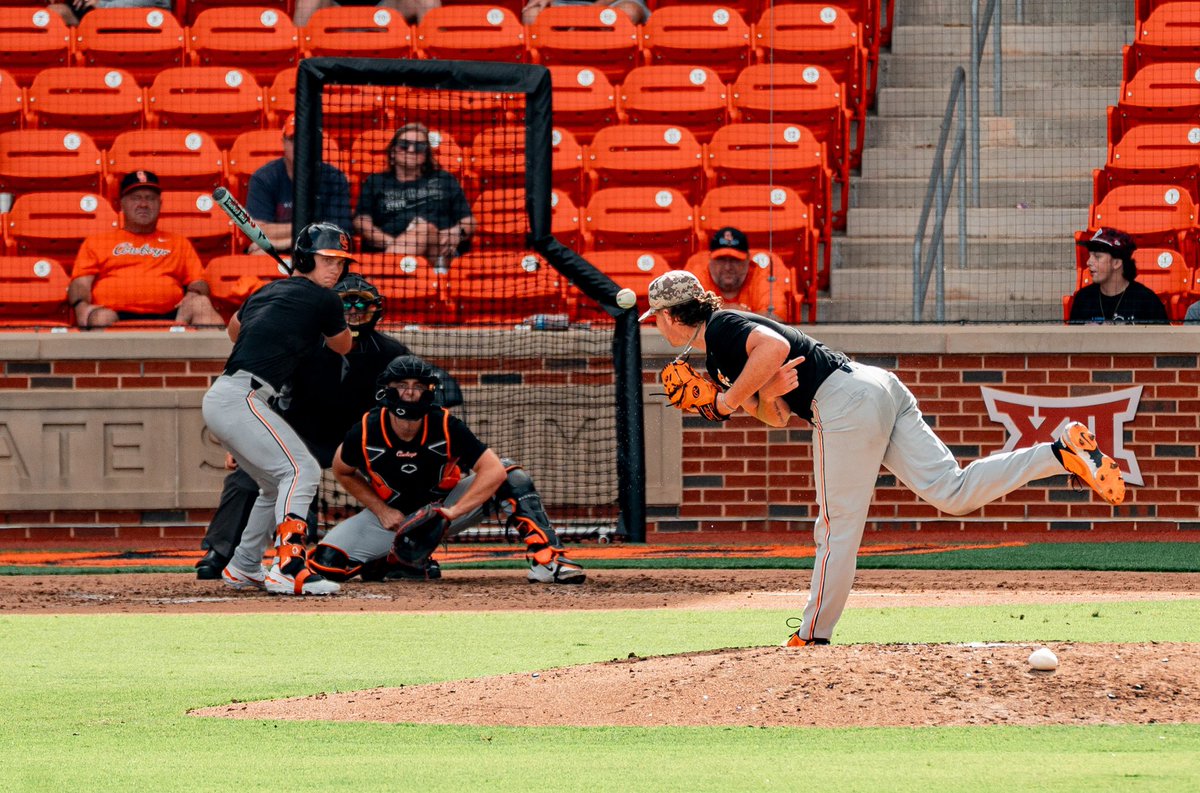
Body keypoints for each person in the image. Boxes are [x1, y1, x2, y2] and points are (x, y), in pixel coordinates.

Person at [640, 270, 1127, 645]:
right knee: (952, 492)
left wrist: (725, 402)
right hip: (872, 387)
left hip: (843, 401)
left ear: (668, 316)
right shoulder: (720, 356)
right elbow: (778, 416)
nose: (655, 325)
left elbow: (773, 346)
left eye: (655, 317)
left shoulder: (722, 327)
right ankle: (1058, 452)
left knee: (837, 526)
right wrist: (760, 395)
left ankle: (812, 633)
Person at [195, 272, 462, 578]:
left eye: (362, 305)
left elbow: (437, 388)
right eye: (345, 305)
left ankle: (407, 551)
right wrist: (245, 437)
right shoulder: (303, 343)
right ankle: (222, 552)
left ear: (376, 310)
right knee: (250, 477)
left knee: (407, 467)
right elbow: (271, 387)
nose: (353, 312)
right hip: (299, 430)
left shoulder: (391, 353)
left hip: (359, 440)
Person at [309, 355, 586, 585]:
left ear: (429, 391)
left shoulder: (445, 424)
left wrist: (452, 512)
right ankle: (395, 560)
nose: (409, 392)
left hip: (443, 511)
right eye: (402, 384)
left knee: (511, 473)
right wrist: (381, 510)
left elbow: (492, 470)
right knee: (325, 566)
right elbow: (341, 470)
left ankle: (549, 559)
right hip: (391, 517)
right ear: (387, 389)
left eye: (418, 385)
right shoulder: (367, 428)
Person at [200, 222, 355, 596]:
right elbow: (344, 345)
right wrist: (309, 305)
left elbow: (235, 330)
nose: (335, 269)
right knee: (301, 471)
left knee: (272, 486)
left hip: (227, 397)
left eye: (340, 262)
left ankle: (244, 565)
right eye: (326, 260)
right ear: (305, 258)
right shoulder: (324, 300)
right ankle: (288, 566)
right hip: (242, 397)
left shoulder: (266, 292)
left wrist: (290, 300)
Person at [69, 170, 224, 329]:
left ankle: (226, 353)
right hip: (113, 315)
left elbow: (199, 282)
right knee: (99, 318)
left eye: (150, 198)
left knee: (201, 304)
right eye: (136, 198)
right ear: (121, 203)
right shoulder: (98, 242)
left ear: (160, 204)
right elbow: (80, 283)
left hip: (173, 316)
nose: (143, 204)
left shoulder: (179, 243)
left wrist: (195, 293)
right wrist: (81, 307)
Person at [353, 123, 474, 266]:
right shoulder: (375, 181)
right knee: (421, 231)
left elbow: (469, 221)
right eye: (404, 145)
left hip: (439, 249)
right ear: (393, 152)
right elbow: (361, 222)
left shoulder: (444, 179)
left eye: (419, 147)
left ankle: (386, 272)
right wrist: (394, 241)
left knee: (425, 229)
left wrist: (456, 232)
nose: (411, 150)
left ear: (425, 155)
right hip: (389, 245)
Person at [244, 114, 352, 257]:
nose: (301, 146)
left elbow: (337, 235)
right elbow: (257, 230)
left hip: (319, 251)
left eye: (307, 139)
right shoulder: (264, 178)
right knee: (258, 253)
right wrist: (311, 227)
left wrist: (282, 242)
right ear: (283, 142)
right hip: (281, 253)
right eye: (294, 140)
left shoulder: (334, 179)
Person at [685, 226, 791, 322]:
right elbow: (683, 314)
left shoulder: (760, 276)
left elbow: (776, 319)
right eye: (721, 259)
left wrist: (720, 314)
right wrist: (738, 314)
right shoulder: (697, 277)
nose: (728, 267)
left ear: (748, 259)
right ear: (710, 259)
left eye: (735, 260)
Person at [1068, 228, 1169, 325]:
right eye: (1090, 256)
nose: (1088, 262)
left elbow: (1163, 341)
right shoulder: (1083, 299)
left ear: (1116, 263)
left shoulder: (1147, 301)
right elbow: (1073, 340)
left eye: (1097, 257)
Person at [294, 0, 439, 28]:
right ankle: (296, 62)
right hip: (336, 8)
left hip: (385, 5)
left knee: (428, 2)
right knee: (307, 2)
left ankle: (435, 66)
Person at [47, 0, 170, 27]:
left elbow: (149, 2)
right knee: (52, 13)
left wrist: (101, 4)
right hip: (96, 13)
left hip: (136, 23)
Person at [521, 0, 648, 26]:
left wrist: (592, 10)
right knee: (531, 15)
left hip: (615, 3)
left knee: (629, 12)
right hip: (564, 3)